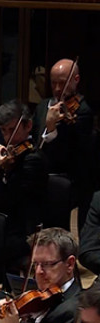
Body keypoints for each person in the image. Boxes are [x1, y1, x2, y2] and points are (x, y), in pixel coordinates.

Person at [0, 99, 48, 274]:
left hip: (22, 231)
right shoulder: (4, 155)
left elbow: (7, 201)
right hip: (3, 224)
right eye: (3, 131)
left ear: (28, 126)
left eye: (12, 130)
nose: (7, 138)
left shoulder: (33, 160)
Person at [32, 58, 96, 233]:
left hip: (68, 180)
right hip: (42, 174)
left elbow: (71, 153)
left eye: (62, 83)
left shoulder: (82, 111)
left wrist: (52, 128)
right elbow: (37, 143)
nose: (58, 89)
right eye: (54, 83)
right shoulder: (42, 107)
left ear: (76, 80)